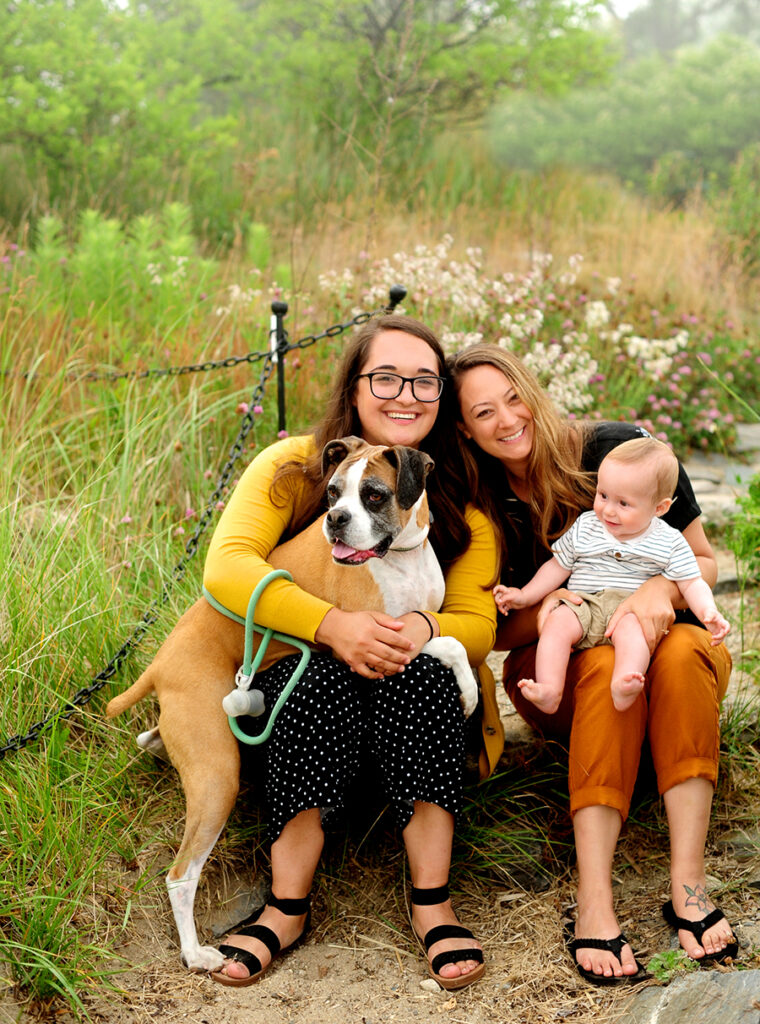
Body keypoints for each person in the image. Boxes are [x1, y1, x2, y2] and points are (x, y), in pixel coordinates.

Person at [201, 315, 504, 989]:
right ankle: (286, 905)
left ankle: (433, 901)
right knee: (318, 681)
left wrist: (429, 630)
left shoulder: (460, 506)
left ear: (442, 397)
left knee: (424, 677)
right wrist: (330, 625)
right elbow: (224, 570)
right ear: (354, 386)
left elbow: (479, 621)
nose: (406, 393)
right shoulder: (292, 467)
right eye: (386, 376)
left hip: (414, 733)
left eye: (424, 379)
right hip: (304, 729)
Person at [446, 343, 737, 985]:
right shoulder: (472, 495)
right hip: (561, 660)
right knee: (605, 669)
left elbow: (702, 564)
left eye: (514, 396)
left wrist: (656, 592)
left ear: (534, 389)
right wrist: (551, 601)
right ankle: (595, 901)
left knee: (686, 650)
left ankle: (688, 883)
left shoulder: (619, 452)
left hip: (664, 645)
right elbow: (490, 628)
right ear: (464, 426)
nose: (507, 419)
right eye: (483, 411)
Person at [493, 437, 730, 714]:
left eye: (624, 504)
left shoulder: (669, 541)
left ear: (659, 508)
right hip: (585, 604)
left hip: (630, 609)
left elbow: (691, 582)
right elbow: (558, 566)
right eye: (602, 495)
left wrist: (708, 612)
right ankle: (550, 688)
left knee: (634, 634)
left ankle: (624, 683)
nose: (608, 510)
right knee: (557, 624)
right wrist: (524, 595)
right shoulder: (587, 525)